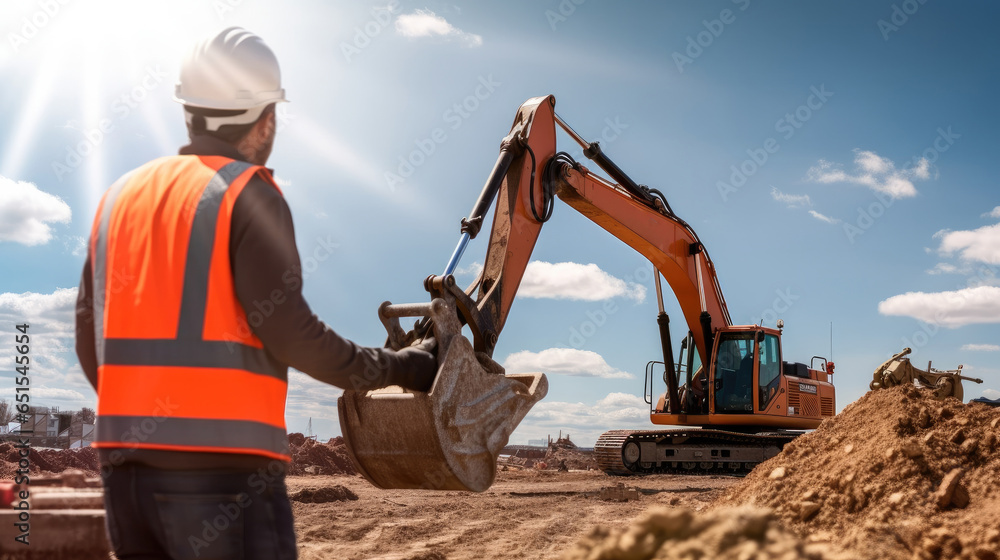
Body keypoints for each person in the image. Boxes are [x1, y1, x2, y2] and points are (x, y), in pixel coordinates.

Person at [74, 27, 436, 559]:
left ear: (188, 111)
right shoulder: (248, 193)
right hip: (225, 474)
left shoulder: (118, 198)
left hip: (125, 474)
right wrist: (403, 368)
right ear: (266, 118)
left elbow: (90, 340)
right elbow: (294, 334)